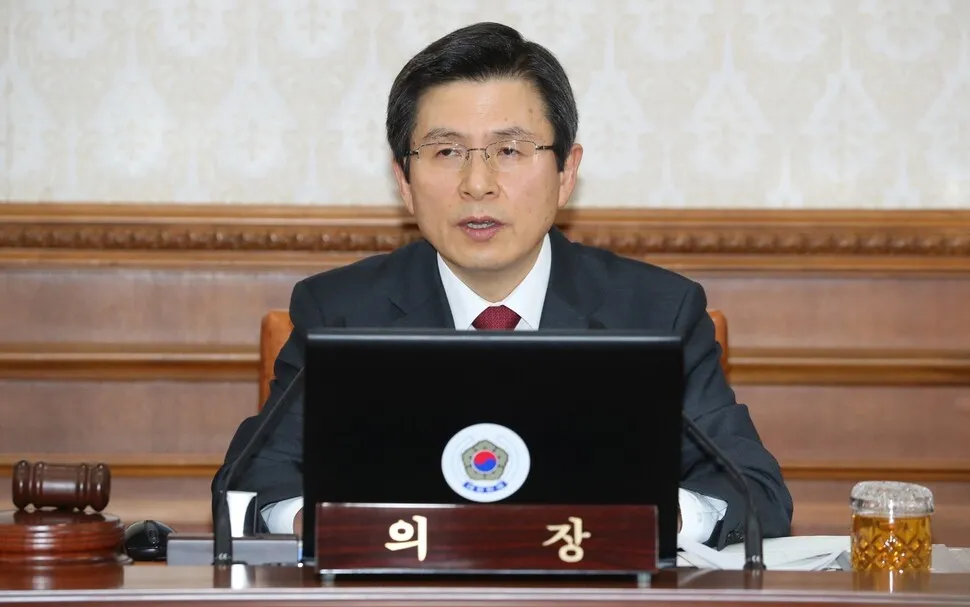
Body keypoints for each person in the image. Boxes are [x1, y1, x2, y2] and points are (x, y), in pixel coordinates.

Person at [214, 21, 793, 549]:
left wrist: (641, 517)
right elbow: (247, 485)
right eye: (446, 152)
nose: (477, 184)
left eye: (510, 151)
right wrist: (331, 523)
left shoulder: (656, 312)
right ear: (405, 182)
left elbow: (754, 494)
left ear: (566, 172)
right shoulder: (338, 310)